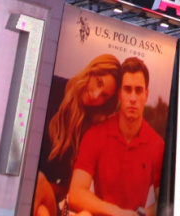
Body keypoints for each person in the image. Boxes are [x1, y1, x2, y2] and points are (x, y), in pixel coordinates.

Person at [66, 58, 165, 216]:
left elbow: (165, 202)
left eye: (138, 90)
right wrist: (116, 212)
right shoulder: (95, 134)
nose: (133, 98)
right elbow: (76, 194)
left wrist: (139, 214)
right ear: (119, 94)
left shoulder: (157, 145)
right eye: (127, 89)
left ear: (146, 95)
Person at [32, 54, 122, 216]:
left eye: (104, 96)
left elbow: (67, 188)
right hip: (24, 188)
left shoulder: (88, 128)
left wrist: (44, 186)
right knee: (41, 210)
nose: (96, 96)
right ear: (92, 71)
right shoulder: (52, 87)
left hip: (47, 195)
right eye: (98, 83)